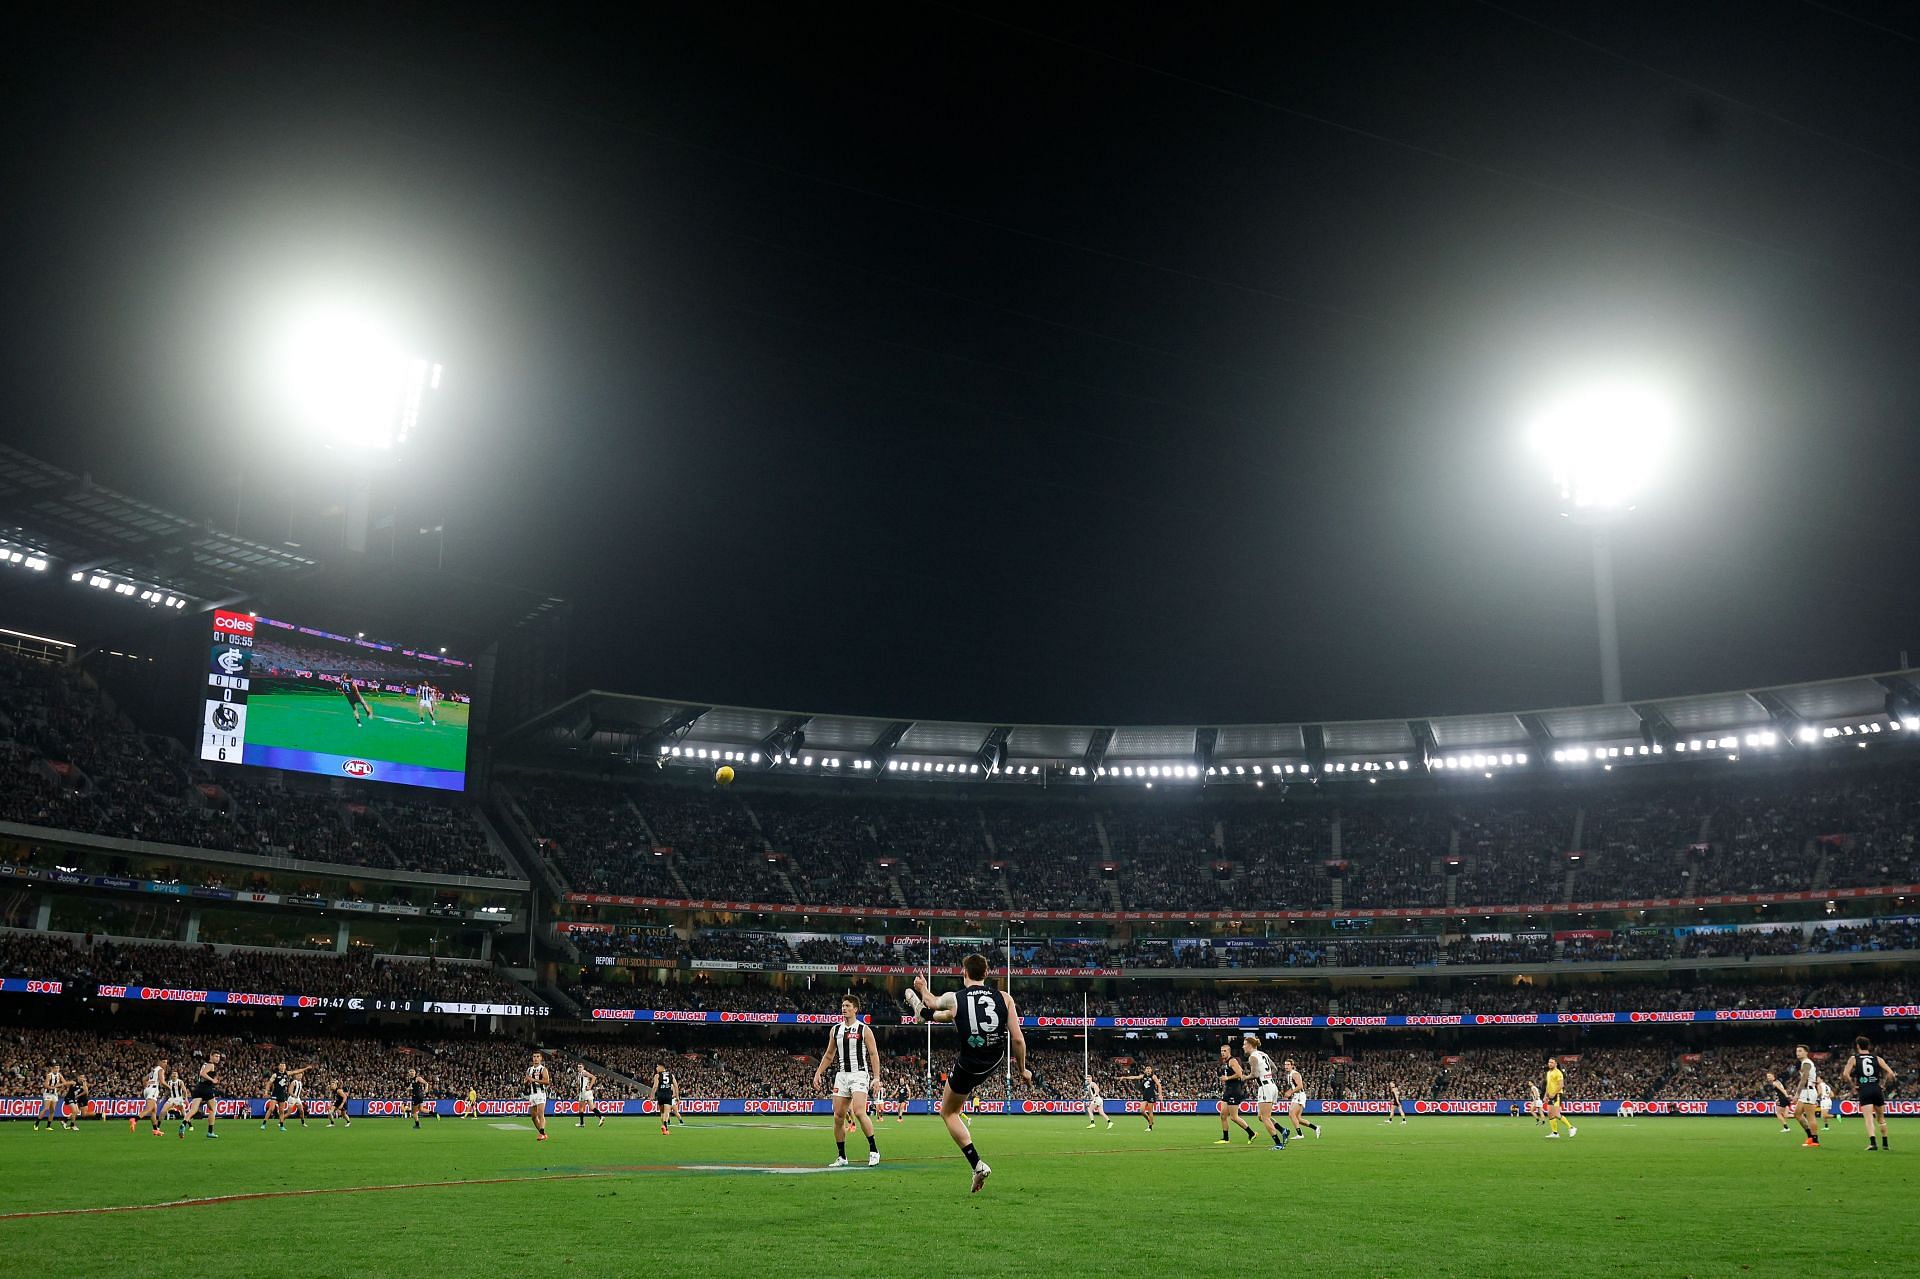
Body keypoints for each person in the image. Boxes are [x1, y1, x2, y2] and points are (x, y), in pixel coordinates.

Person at [908, 955, 1031, 1193]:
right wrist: (1022, 1069)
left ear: (964, 972)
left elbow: (933, 1000)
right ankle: (920, 1015)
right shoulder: (1005, 998)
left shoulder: (956, 997)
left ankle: (977, 1165)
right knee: (945, 1016)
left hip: (969, 1063)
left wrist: (922, 988)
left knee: (948, 1111)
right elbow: (1017, 1038)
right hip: (994, 1060)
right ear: (986, 973)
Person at [812, 996, 882, 1167]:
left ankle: (874, 1150)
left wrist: (877, 1077)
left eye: (848, 1006)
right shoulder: (836, 1030)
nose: (844, 1008)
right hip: (842, 1075)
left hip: (859, 1074)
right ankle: (842, 1156)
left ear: (855, 1009)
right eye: (843, 1006)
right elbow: (829, 1054)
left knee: (859, 1111)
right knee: (838, 1116)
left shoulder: (864, 1029)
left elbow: (873, 1054)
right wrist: (818, 1072)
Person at [1843, 1034, 1896, 1151]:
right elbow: (1891, 1073)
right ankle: (1885, 1143)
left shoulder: (1854, 1059)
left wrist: (1853, 1086)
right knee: (1881, 1118)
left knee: (1868, 1118)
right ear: (1869, 1046)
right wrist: (1883, 1085)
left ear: (1857, 1046)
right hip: (1876, 1088)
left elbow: (1845, 1074)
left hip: (1864, 1089)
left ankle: (1873, 1143)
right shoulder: (1877, 1058)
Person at [1240, 1034, 1288, 1151]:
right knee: (1261, 1117)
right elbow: (1275, 1068)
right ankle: (1282, 1130)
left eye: (1245, 1044)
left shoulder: (1252, 1057)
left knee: (1265, 1117)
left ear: (1250, 1045)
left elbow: (1255, 1075)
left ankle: (1278, 1144)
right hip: (1271, 1085)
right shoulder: (1263, 1054)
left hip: (1265, 1087)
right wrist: (1267, 1075)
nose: (1243, 1047)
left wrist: (1244, 1077)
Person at [1216, 1045, 1255, 1143]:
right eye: (1221, 1051)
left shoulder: (1232, 1061)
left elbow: (1240, 1074)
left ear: (1229, 1051)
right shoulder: (1225, 1062)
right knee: (1223, 1115)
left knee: (1234, 1117)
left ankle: (1251, 1133)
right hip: (1228, 1090)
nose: (1222, 1052)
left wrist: (1228, 1078)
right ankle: (1225, 1138)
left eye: (1224, 1051)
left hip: (1234, 1090)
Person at [180, 1054, 224, 1139]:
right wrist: (213, 1080)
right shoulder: (210, 1064)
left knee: (193, 1110)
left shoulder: (204, 1064)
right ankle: (210, 1132)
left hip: (199, 1088)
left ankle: (184, 1123)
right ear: (211, 1056)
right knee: (212, 1109)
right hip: (206, 1088)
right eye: (216, 1056)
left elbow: (202, 1074)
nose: (217, 1058)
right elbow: (202, 1074)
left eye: (218, 1057)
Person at [1283, 1058, 1320, 1139]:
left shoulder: (1295, 1074)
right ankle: (1316, 1128)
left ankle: (1300, 1134)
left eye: (1288, 1064)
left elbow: (1300, 1086)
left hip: (1299, 1095)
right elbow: (1294, 1087)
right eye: (1285, 1064)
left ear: (1292, 1066)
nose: (1286, 1066)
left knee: (1291, 1114)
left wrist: (1290, 1092)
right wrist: (1287, 1093)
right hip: (1297, 1095)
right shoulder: (1289, 1075)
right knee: (1298, 1119)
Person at [1118, 1064, 1161, 1131]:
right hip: (1145, 1095)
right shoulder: (1143, 1076)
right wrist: (1125, 1077)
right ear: (1145, 1070)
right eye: (1147, 1068)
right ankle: (1150, 1121)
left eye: (1149, 1068)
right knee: (1141, 1110)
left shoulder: (1153, 1076)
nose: (1148, 1070)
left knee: (1150, 1111)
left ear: (1151, 1070)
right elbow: (1134, 1077)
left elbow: (1159, 1085)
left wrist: (1160, 1094)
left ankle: (1150, 1127)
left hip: (1151, 1095)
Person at [1542, 1057, 1576, 1139]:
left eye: (1552, 1062)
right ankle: (1555, 1133)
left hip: (1557, 1095)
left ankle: (1571, 1127)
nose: (1550, 1064)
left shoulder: (1558, 1073)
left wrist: (1553, 1093)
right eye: (1549, 1062)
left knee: (1556, 1114)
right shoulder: (1548, 1073)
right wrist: (1545, 1095)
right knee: (1550, 1114)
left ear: (1556, 1064)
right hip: (1550, 1095)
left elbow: (1561, 1085)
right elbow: (1548, 1085)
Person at [134, 1057, 169, 1134]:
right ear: (159, 1062)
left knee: (153, 1110)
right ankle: (134, 1120)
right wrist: (170, 1088)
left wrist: (147, 1086)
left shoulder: (154, 1070)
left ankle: (155, 1130)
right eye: (163, 1062)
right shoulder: (160, 1070)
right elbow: (162, 1082)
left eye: (166, 1062)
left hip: (147, 1090)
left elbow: (144, 1079)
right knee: (149, 1109)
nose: (165, 1064)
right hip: (153, 1090)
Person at [526, 1051, 551, 1143]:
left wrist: (534, 1080)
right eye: (534, 1056)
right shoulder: (529, 1070)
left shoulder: (543, 1069)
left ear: (541, 1058)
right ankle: (543, 1134)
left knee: (540, 1114)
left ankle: (541, 1133)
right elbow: (527, 1080)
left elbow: (547, 1082)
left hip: (541, 1093)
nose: (535, 1058)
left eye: (537, 1056)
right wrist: (526, 1081)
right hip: (532, 1094)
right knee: (533, 1117)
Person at [651, 1062, 682, 1133]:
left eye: (657, 1067)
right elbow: (676, 1086)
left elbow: (655, 1086)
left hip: (660, 1095)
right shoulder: (671, 1075)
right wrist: (677, 1097)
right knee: (666, 1112)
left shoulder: (657, 1075)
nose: (656, 1068)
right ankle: (665, 1126)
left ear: (662, 1067)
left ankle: (665, 1128)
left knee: (662, 1112)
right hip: (668, 1095)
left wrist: (652, 1096)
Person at [34, 1063, 65, 1132]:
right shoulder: (49, 1075)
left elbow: (64, 1083)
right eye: (56, 1068)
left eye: (58, 1068)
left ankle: (48, 1126)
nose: (57, 1069)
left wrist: (60, 1089)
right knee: (46, 1108)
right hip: (48, 1093)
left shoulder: (59, 1075)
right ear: (53, 1069)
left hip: (54, 1094)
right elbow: (45, 1084)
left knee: (52, 1110)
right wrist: (52, 1087)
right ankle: (36, 1124)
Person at [574, 1063, 604, 1129]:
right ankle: (601, 1117)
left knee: (581, 1107)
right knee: (591, 1107)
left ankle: (582, 1123)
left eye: (580, 1067)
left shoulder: (584, 1073)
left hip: (585, 1092)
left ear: (583, 1067)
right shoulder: (580, 1074)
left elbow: (594, 1077)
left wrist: (590, 1086)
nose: (579, 1068)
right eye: (578, 1067)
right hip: (586, 1092)